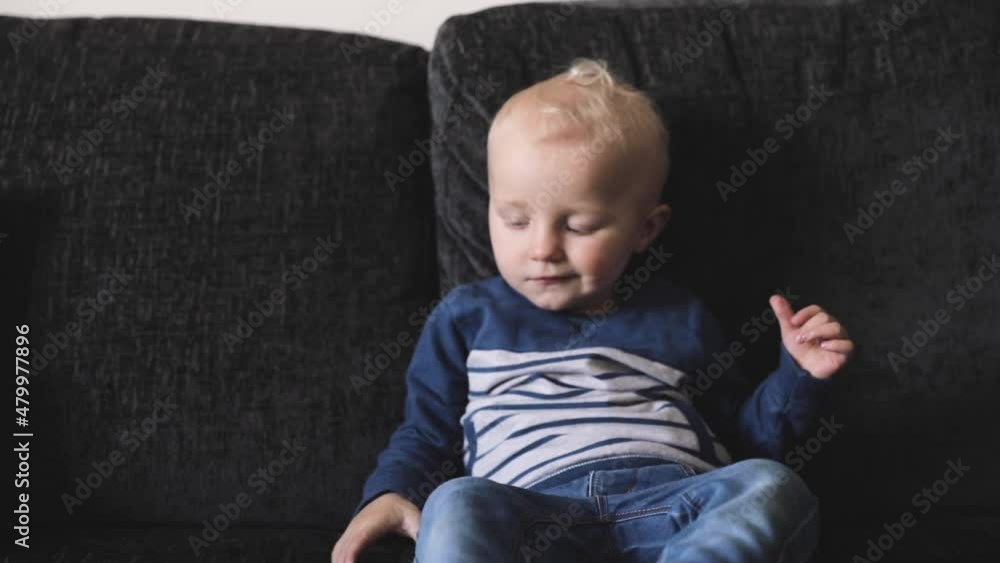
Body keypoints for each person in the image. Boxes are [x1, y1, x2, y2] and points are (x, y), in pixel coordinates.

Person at [332, 57, 854, 563]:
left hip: (675, 507)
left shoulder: (681, 316)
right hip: (533, 517)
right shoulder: (466, 318)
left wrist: (797, 375)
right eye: (516, 220)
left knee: (772, 485)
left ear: (645, 229)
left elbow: (742, 440)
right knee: (455, 500)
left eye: (578, 226)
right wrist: (389, 492)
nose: (542, 248)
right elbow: (425, 433)